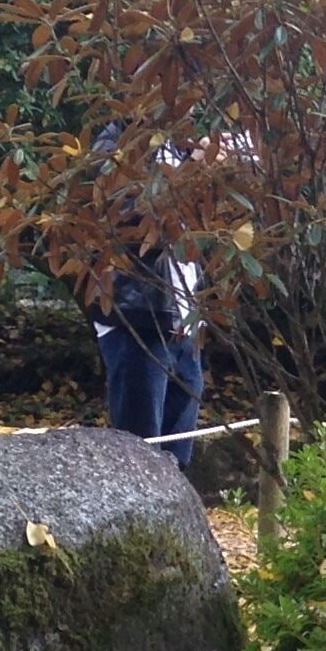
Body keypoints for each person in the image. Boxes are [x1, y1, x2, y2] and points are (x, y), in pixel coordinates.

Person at [88, 124, 205, 472]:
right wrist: (194, 171)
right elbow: (132, 220)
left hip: (184, 324)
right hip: (136, 321)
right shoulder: (117, 144)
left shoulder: (180, 145)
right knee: (138, 459)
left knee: (178, 462)